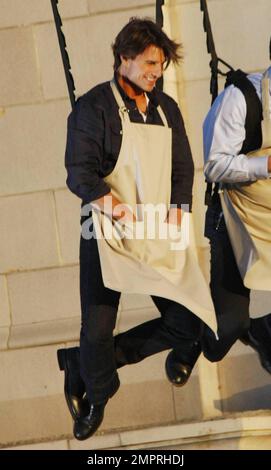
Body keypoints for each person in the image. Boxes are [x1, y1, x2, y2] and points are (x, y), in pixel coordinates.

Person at [57, 17, 217, 441]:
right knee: (97, 327)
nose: (155, 72)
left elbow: (183, 167)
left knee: (187, 323)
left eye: (160, 64)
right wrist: (117, 210)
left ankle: (85, 363)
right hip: (106, 232)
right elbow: (80, 174)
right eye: (149, 62)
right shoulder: (93, 108)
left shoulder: (166, 108)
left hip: (159, 229)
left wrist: (179, 213)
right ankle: (97, 390)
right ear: (123, 58)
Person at [166, 48, 271, 384]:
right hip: (232, 219)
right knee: (223, 332)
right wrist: (265, 165)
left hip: (268, 216)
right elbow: (214, 166)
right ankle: (185, 339)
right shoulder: (239, 99)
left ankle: (262, 329)